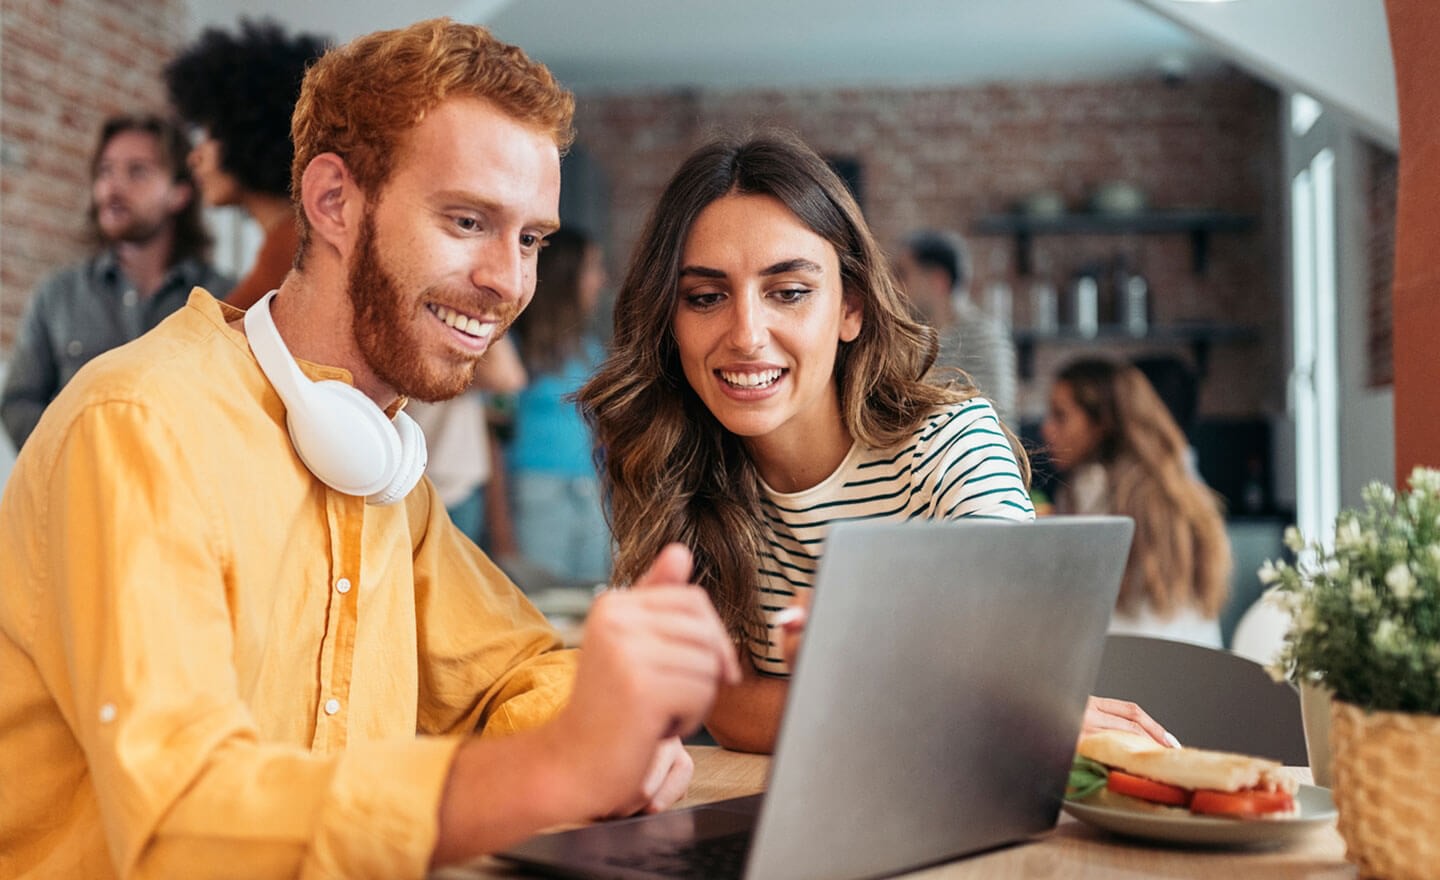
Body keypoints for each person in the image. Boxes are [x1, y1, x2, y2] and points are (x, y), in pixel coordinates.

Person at [0, 19, 740, 879]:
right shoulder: (139, 426)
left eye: (531, 238)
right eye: (469, 220)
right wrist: (549, 771)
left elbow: (514, 674)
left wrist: (616, 724)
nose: (510, 280)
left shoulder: (376, 464)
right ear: (333, 201)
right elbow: (181, 826)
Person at [578, 132, 1171, 755]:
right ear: (670, 321)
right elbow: (726, 708)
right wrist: (931, 700)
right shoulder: (674, 464)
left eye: (789, 292)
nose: (747, 335)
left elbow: (1028, 687)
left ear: (851, 307)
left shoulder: (952, 445)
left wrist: (872, 699)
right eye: (705, 297)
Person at [0, 113, 231, 449]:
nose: (114, 186)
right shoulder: (57, 295)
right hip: (77, 495)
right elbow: (19, 402)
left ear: (179, 194)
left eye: (137, 171)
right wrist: (81, 453)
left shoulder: (222, 297)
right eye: (105, 171)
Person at [1041, 357, 1232, 647]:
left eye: (1061, 415)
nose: (1046, 428)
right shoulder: (1179, 484)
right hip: (1201, 663)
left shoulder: (1090, 486)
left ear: (1100, 424)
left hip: (1129, 673)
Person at [164, 18, 329, 309]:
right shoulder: (299, 238)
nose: (195, 156)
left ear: (248, 133)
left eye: (210, 134)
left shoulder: (293, 250)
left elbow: (218, 334)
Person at [507, 226, 612, 584]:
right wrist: (500, 526)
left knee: (591, 599)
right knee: (541, 597)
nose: (601, 280)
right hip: (536, 494)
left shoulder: (591, 349)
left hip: (591, 491)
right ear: (566, 276)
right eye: (592, 268)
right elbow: (492, 436)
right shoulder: (515, 349)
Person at [894, 228, 1018, 419]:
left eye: (902, 275)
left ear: (938, 280)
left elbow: (996, 417)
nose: (894, 286)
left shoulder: (984, 337)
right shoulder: (910, 338)